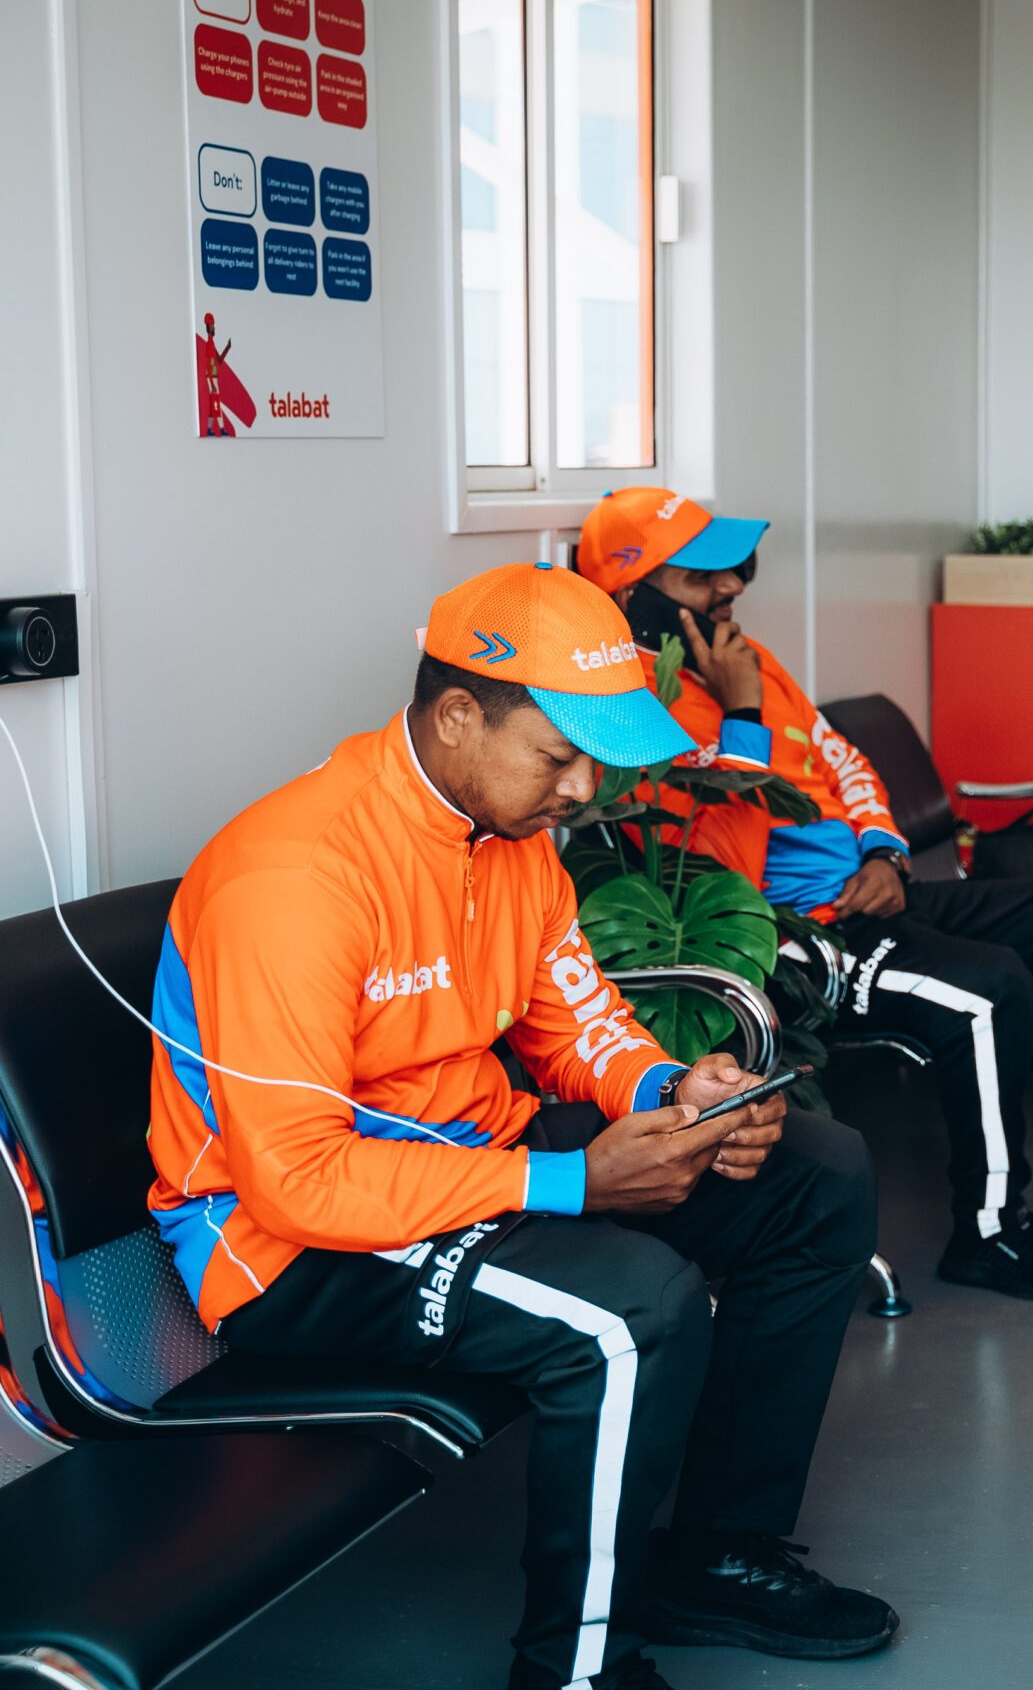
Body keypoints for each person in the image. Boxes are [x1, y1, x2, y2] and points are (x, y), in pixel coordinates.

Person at [145, 564, 892, 1690]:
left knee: (814, 1173)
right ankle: (577, 1669)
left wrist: (670, 1092)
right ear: (456, 716)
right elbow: (297, 1180)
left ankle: (717, 1556)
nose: (582, 787)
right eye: (558, 755)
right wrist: (573, 1188)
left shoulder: (513, 839)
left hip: (465, 1163)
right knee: (631, 1313)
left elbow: (574, 1024)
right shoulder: (294, 878)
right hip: (290, 1246)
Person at [570, 488, 1033, 1305]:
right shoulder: (628, 704)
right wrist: (740, 713)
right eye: (701, 578)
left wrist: (885, 849)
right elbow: (719, 859)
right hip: (793, 934)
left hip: (870, 892)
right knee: (990, 994)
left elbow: (840, 761)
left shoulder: (747, 655)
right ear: (633, 595)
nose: (730, 588)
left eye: (734, 570)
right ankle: (990, 1235)